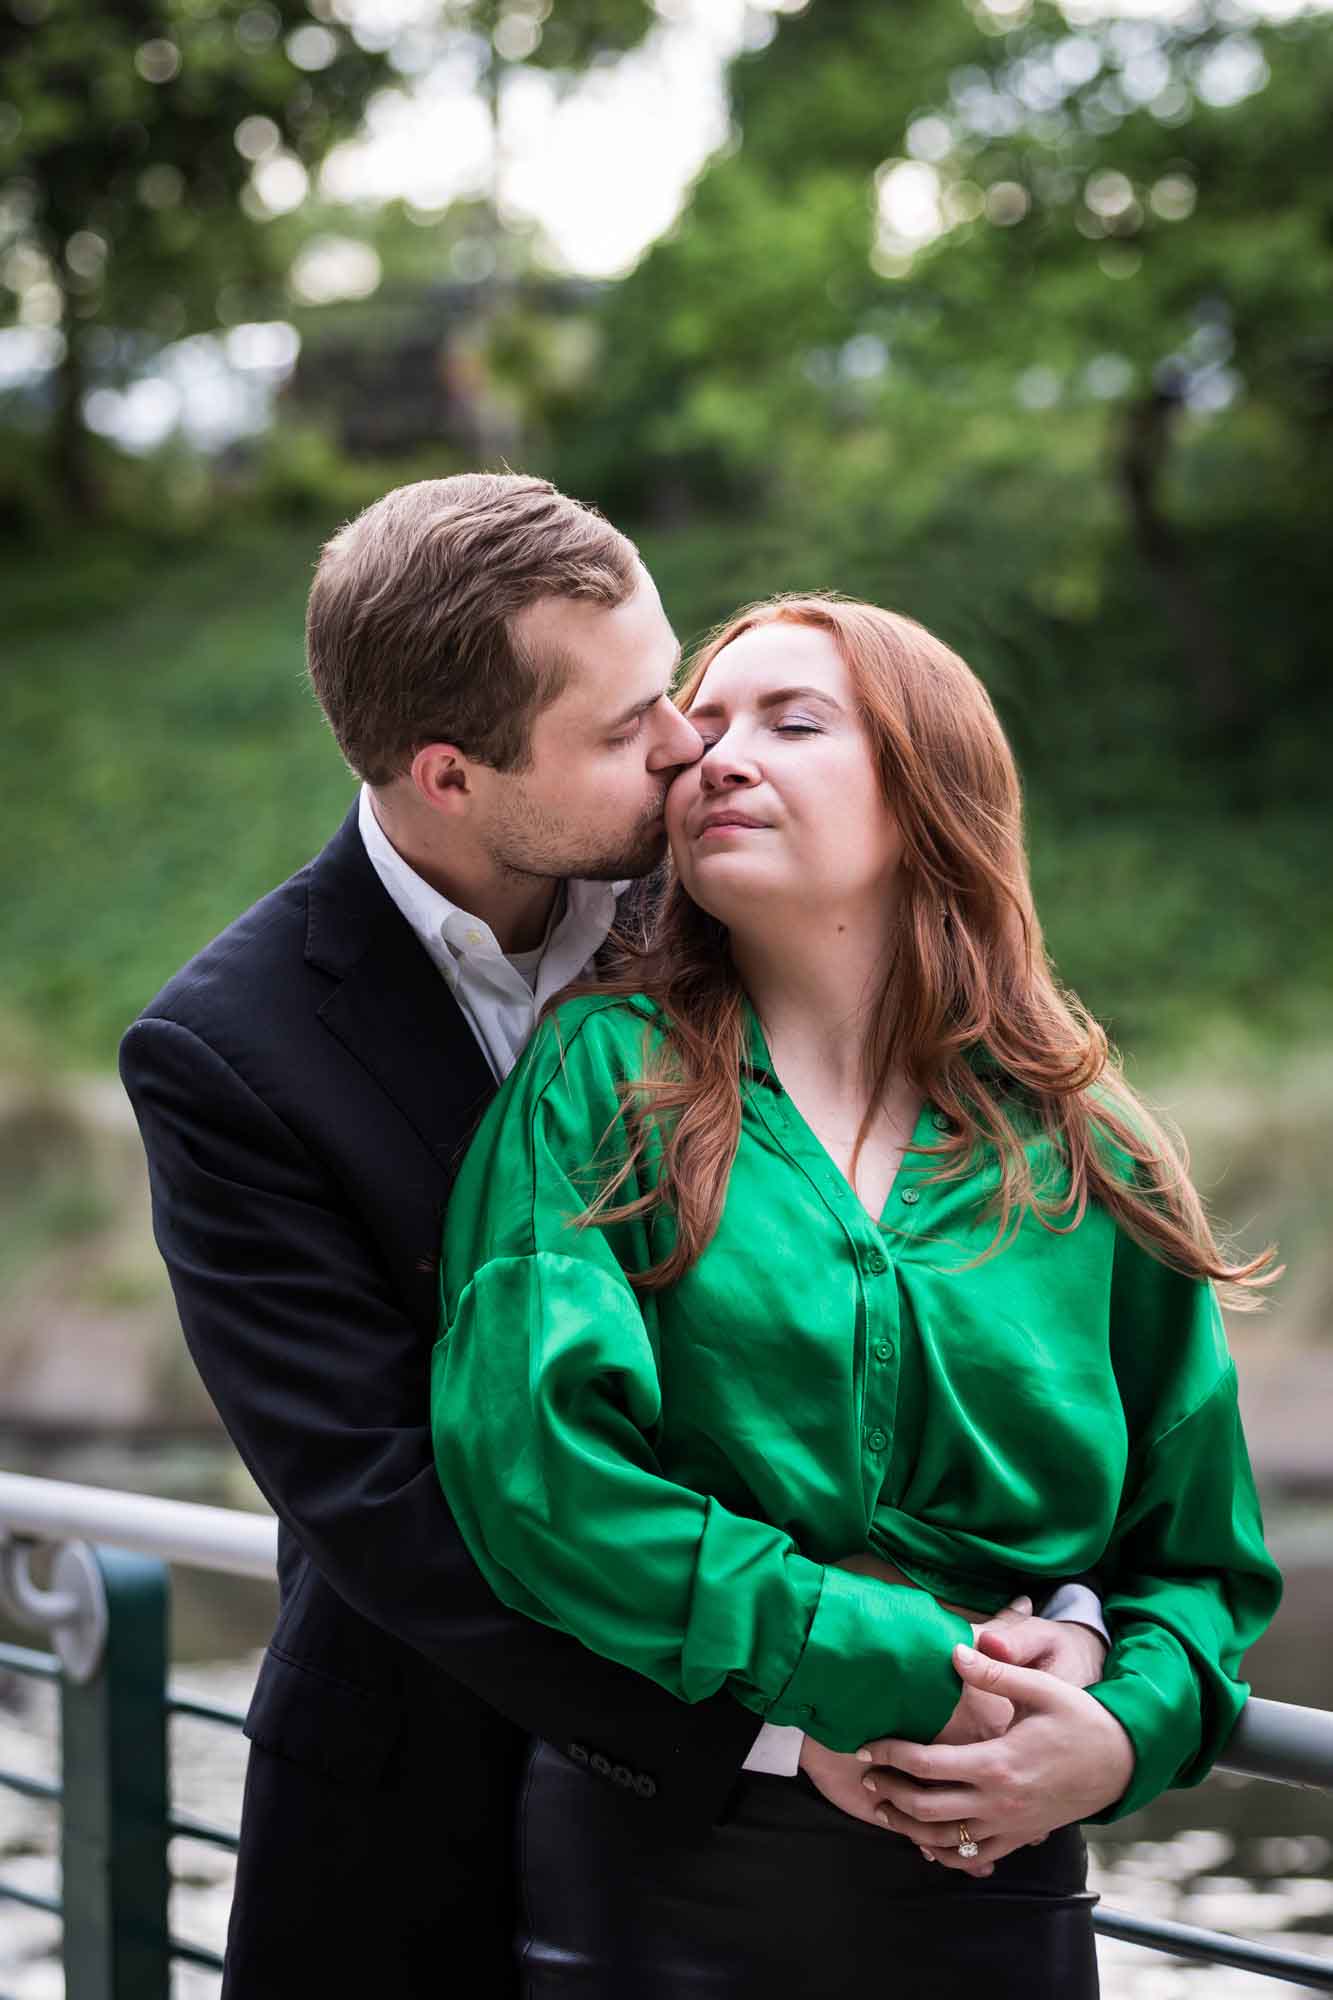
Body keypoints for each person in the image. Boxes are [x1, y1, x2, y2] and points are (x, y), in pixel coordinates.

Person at [119, 478, 1106, 1998]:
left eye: (672, 687)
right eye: (623, 724)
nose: (687, 745)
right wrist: (784, 1715)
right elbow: (374, 1489)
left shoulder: (732, 885)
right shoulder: (225, 1050)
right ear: (449, 774)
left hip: (830, 1836)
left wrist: (1069, 1640)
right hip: (416, 1801)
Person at [431, 591, 1284, 1997]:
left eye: (791, 721)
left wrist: (1119, 1733)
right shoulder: (599, 1076)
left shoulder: (1086, 1149)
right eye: (700, 725)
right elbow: (533, 1470)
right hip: (671, 1869)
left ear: (926, 794)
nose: (714, 755)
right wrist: (877, 1657)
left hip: (997, 1890)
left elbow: (1197, 1561)